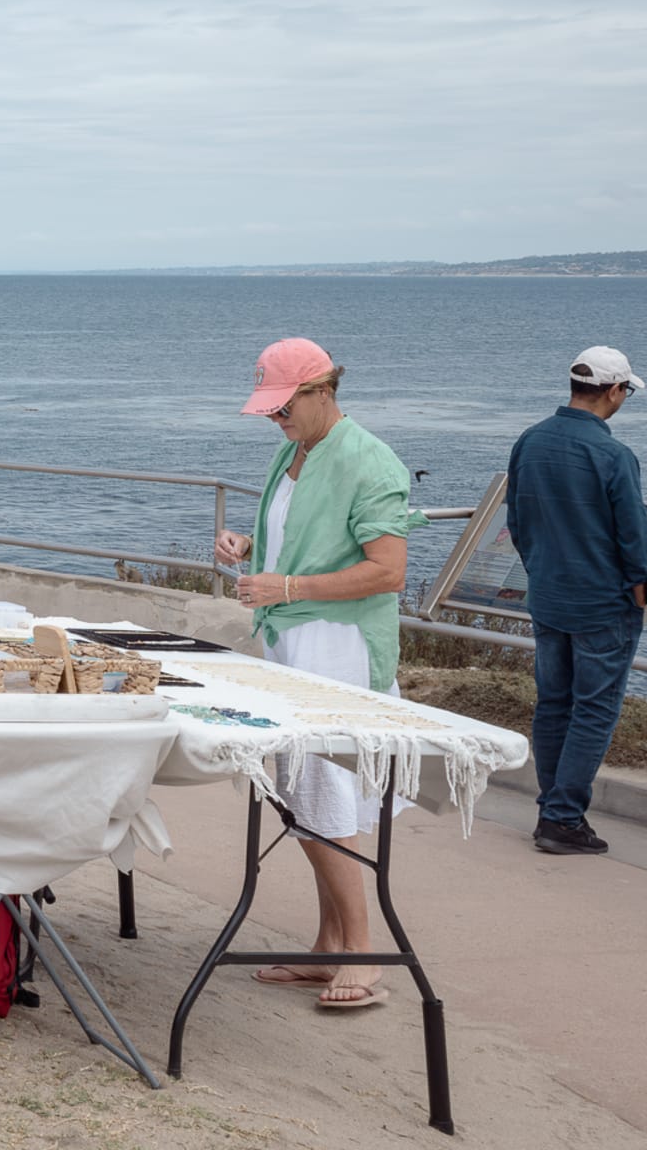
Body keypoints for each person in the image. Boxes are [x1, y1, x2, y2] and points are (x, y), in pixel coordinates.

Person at [213, 337, 423, 1013]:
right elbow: (301, 534)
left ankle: (361, 952)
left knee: (323, 796)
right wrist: (250, 546)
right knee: (304, 793)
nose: (275, 420)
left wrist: (285, 585)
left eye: (283, 408)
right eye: (270, 410)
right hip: (294, 640)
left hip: (340, 648)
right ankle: (330, 946)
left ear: (321, 391)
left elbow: (389, 571)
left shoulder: (368, 460)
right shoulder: (293, 452)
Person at [505, 346, 647, 857]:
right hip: (602, 604)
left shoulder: (530, 441)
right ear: (614, 390)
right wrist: (640, 594)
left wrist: (540, 572)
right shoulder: (614, 455)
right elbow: (634, 539)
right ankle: (562, 819)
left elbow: (517, 522)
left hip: (548, 597)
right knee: (593, 711)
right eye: (626, 392)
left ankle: (554, 808)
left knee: (553, 705)